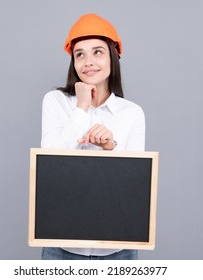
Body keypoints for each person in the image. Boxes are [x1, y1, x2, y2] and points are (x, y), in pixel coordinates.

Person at [40, 14, 145, 260]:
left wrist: (111, 147)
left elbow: (135, 184)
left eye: (97, 52)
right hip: (62, 246)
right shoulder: (55, 102)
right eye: (80, 54)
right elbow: (50, 161)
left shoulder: (132, 113)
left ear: (112, 58)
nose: (88, 61)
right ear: (73, 62)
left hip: (118, 248)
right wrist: (81, 107)